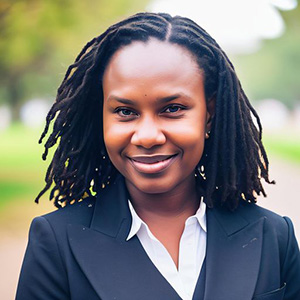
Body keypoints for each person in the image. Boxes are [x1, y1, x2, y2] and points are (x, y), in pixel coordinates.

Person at [16, 12, 300, 300]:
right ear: (100, 117)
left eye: (173, 108)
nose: (148, 136)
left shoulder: (274, 237)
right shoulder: (56, 243)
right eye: (125, 112)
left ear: (209, 116)